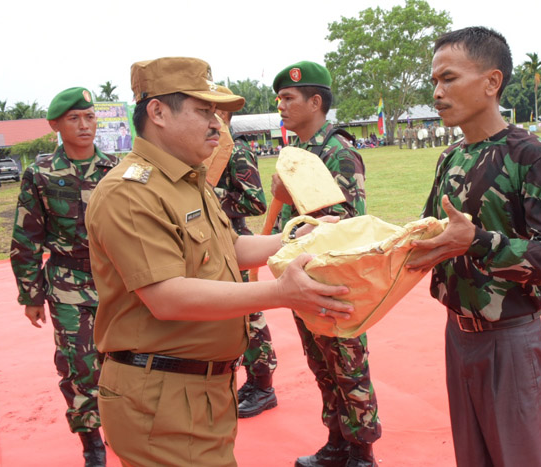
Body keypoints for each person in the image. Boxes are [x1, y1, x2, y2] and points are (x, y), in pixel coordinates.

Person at [85, 56, 353, 467]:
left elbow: (231, 247)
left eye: (217, 114)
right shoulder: (130, 192)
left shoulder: (186, 179)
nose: (217, 125)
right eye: (203, 111)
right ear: (157, 112)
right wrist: (281, 293)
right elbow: (166, 297)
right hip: (161, 395)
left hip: (198, 388)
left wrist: (297, 237)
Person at [405, 27, 541, 467]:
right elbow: (430, 232)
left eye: (449, 78)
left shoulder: (529, 155)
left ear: (491, 82)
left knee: (519, 458)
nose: (437, 92)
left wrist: (480, 243)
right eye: (434, 81)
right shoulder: (450, 157)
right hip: (457, 334)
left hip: (510, 339)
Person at [272, 60, 379, 467]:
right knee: (321, 366)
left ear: (315, 102)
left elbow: (349, 226)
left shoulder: (339, 152)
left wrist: (292, 197)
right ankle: (337, 442)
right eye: (279, 98)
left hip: (335, 283)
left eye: (288, 98)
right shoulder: (299, 154)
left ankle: (362, 453)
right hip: (303, 280)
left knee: (348, 367)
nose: (281, 106)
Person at [10, 86, 119, 467]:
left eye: (90, 117)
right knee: (79, 365)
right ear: (55, 125)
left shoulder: (117, 169)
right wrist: (31, 296)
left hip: (117, 283)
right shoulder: (40, 174)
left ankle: (124, 428)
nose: (84, 125)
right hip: (67, 285)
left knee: (124, 359)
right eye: (74, 118)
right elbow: (26, 237)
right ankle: (92, 444)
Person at [212, 85, 277, 419]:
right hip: (209, 243)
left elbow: (255, 201)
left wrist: (208, 196)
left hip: (235, 241)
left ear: (224, 115)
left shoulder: (236, 150)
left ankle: (263, 385)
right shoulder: (201, 149)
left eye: (211, 110)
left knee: (249, 316)